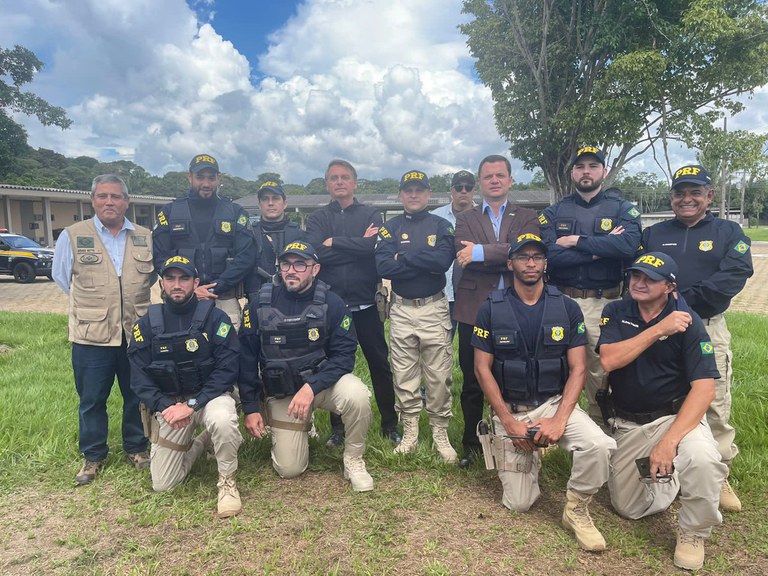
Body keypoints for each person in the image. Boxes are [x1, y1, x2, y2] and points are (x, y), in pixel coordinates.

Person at [472, 233, 615, 551]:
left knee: (599, 445)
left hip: (553, 404)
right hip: (512, 408)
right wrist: (508, 421)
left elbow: (578, 368)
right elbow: (482, 368)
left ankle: (576, 507)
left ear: (546, 263)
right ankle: (530, 452)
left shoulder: (567, 308)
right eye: (523, 257)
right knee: (520, 503)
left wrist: (560, 419)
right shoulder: (490, 309)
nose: (531, 262)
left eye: (537, 256)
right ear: (510, 264)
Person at [597, 252, 727, 571]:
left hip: (674, 417)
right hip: (629, 423)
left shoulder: (689, 321)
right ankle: (676, 478)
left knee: (703, 458)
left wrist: (669, 442)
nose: (639, 283)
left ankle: (693, 532)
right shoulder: (616, 310)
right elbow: (609, 361)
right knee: (628, 508)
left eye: (649, 279)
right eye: (635, 276)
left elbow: (704, 389)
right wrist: (659, 329)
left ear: (669, 286)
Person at [641, 164, 752, 512]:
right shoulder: (654, 234)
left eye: (695, 192)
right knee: (661, 393)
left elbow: (733, 275)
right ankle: (661, 461)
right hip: (659, 327)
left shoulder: (728, 231)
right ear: (671, 197)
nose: (686, 199)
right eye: (679, 192)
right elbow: (640, 274)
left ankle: (718, 476)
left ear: (710, 196)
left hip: (706, 326)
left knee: (714, 401)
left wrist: (679, 300)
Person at [239, 241, 374, 491]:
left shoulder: (334, 304)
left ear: (315, 269)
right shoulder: (258, 304)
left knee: (357, 395)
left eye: (300, 264)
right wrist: (250, 407)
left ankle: (354, 459)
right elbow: (246, 359)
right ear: (279, 268)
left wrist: (311, 387)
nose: (292, 270)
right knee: (290, 470)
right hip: (284, 392)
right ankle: (302, 425)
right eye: (286, 264)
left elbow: (344, 357)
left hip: (323, 386)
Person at [52, 174, 153, 485]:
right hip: (91, 335)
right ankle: (93, 456)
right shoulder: (72, 235)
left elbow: (150, 280)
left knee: (136, 395)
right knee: (92, 397)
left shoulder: (145, 236)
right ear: (92, 200)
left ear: (127, 201)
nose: (110, 202)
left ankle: (136, 448)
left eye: (116, 196)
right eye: (103, 196)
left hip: (134, 332)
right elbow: (61, 277)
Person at [127, 256, 242, 518]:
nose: (177, 284)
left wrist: (191, 405)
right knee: (164, 484)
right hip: (171, 407)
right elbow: (139, 377)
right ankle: (201, 442)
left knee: (223, 419)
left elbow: (227, 369)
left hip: (208, 399)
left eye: (184, 278)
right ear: (161, 283)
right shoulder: (146, 324)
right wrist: (165, 407)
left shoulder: (216, 318)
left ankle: (227, 481)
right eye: (170, 278)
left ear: (196, 283)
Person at [539, 146, 642, 429]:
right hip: (562, 303)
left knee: (601, 375)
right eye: (580, 166)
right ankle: (557, 430)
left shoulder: (623, 210)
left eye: (593, 166)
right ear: (572, 172)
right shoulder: (554, 212)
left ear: (604, 172)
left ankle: (602, 432)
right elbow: (550, 255)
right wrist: (601, 248)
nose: (586, 172)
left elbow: (628, 245)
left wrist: (575, 241)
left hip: (604, 304)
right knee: (557, 369)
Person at [453, 154, 539, 467]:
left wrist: (479, 252)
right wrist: (505, 255)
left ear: (510, 180)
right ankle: (472, 445)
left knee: (518, 375)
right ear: (480, 183)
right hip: (474, 309)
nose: (494, 180)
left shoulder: (527, 215)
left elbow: (527, 251)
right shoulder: (465, 218)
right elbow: (463, 254)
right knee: (474, 378)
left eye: (500, 175)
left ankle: (518, 438)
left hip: (519, 307)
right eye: (488, 176)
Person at [306, 159, 399, 446]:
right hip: (332, 306)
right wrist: (357, 243)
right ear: (327, 184)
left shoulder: (371, 213)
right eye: (333, 178)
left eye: (345, 177)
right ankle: (338, 429)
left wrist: (335, 242)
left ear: (355, 183)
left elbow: (374, 248)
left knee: (379, 364)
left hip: (366, 305)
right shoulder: (318, 218)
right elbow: (316, 254)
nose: (340, 182)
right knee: (334, 366)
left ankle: (389, 424)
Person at [375, 170, 458, 461]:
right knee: (404, 373)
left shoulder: (442, 224)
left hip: (434, 308)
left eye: (419, 190)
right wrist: (423, 259)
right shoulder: (390, 227)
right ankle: (410, 429)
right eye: (408, 190)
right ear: (400, 195)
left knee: (438, 375)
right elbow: (384, 267)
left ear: (428, 193)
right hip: (401, 309)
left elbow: (442, 262)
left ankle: (440, 431)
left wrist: (405, 257)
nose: (413, 195)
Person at [152, 154, 256, 330]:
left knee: (228, 353)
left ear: (219, 178)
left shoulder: (236, 212)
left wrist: (215, 289)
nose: (206, 184)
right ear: (189, 176)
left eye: (211, 178)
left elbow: (246, 257)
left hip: (224, 299)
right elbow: (159, 257)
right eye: (200, 177)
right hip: (181, 301)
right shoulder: (169, 213)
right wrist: (191, 290)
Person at [430, 169, 476, 338]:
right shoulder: (434, 217)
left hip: (474, 293)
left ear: (473, 190)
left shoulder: (483, 217)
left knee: (472, 350)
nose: (463, 191)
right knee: (440, 347)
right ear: (451, 190)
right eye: (459, 187)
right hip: (443, 294)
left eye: (468, 187)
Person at [243, 180, 307, 301]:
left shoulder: (299, 234)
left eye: (276, 198)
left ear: (285, 204)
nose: (270, 203)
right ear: (259, 205)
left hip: (292, 297)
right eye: (265, 199)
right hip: (257, 299)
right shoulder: (248, 234)